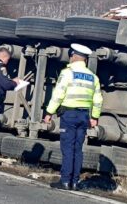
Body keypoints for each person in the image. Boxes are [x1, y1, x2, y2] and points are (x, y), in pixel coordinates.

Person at [44, 43, 103, 191]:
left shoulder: (67, 73)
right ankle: (75, 182)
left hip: (69, 115)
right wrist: (95, 117)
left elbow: (58, 94)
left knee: (68, 148)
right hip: (84, 116)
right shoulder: (93, 77)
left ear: (74, 56)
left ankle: (65, 181)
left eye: (71, 56)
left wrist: (49, 112)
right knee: (78, 149)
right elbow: (98, 99)